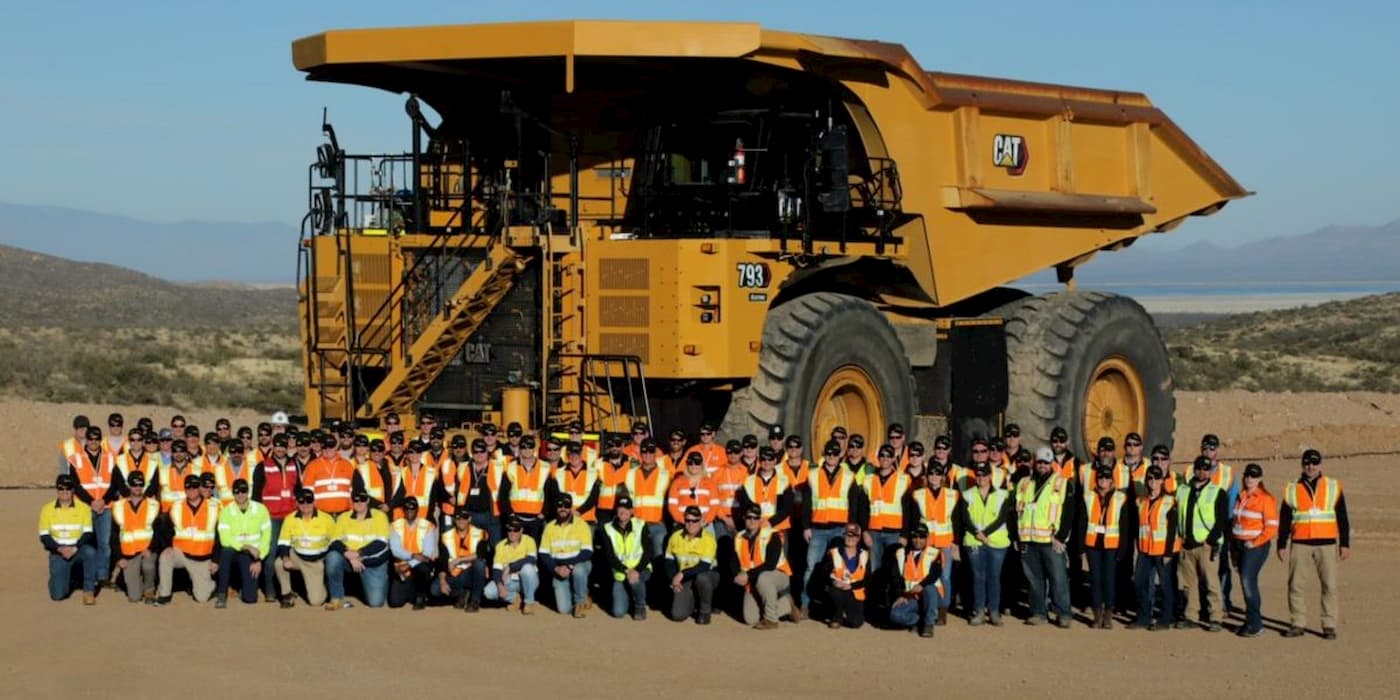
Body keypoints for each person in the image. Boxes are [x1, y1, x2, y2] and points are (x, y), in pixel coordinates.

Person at [1278, 449, 1349, 640]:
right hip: (1300, 543)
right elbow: (1284, 518)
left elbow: (1342, 516)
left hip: (1326, 544)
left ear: (1320, 465)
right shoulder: (1292, 487)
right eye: (1307, 463)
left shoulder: (1333, 486)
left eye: (1314, 463)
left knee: (1330, 585)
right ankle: (1297, 623)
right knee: (1296, 585)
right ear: (1302, 464)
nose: (1311, 467)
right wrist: (1281, 544)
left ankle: (1329, 624)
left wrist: (1345, 543)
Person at [802, 439, 865, 618]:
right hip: (818, 529)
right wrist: (806, 527)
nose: (831, 457)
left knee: (839, 568)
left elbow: (853, 506)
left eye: (835, 453)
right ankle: (806, 605)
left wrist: (851, 530)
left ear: (840, 456)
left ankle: (836, 608)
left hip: (840, 530)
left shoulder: (848, 476)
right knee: (811, 567)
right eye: (828, 453)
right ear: (824, 454)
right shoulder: (812, 475)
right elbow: (807, 504)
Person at [1016, 446, 1072, 627]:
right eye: (1039, 462)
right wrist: (1018, 537)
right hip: (1029, 540)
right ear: (1034, 462)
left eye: (1046, 463)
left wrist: (1061, 538)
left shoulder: (1062, 483)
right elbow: (1016, 512)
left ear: (1052, 464)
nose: (1042, 466)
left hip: (1050, 540)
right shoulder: (1024, 483)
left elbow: (1068, 513)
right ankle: (1038, 612)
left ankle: (1063, 613)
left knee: (1058, 578)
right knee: (1034, 580)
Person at [957, 463, 1017, 626]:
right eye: (978, 475)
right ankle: (979, 611)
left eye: (984, 475)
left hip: (996, 542)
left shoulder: (1002, 495)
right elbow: (964, 518)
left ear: (990, 476)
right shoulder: (967, 494)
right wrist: (977, 533)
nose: (981, 478)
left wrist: (986, 533)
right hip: (974, 541)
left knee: (994, 577)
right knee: (978, 577)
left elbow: (1002, 518)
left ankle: (994, 611)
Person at [1175, 456, 1229, 631]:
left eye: (1206, 469)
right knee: (1189, 583)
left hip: (1206, 545)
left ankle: (1216, 617)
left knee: (1211, 582)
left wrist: (1211, 540)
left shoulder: (1217, 491)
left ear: (1210, 471)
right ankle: (1191, 615)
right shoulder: (1182, 490)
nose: (1202, 471)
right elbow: (1177, 516)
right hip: (1186, 544)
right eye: (1199, 468)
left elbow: (1221, 519)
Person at [67, 425, 121, 589]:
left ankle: (102, 576)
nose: (94, 442)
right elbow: (75, 485)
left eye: (97, 439)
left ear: (100, 440)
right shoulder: (76, 459)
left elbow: (115, 483)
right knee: (83, 542)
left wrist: (103, 500)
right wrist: (92, 502)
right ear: (86, 439)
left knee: (104, 544)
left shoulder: (111, 457)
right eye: (91, 439)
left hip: (105, 507)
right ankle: (82, 575)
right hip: (85, 507)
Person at [1079, 467, 1131, 629]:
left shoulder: (1121, 498)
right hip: (1092, 544)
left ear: (1112, 481)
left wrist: (1123, 548)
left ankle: (1108, 615)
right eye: (1100, 477)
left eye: (1107, 478)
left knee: (1109, 580)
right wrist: (1080, 547)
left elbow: (1124, 525)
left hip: (1111, 544)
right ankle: (1097, 615)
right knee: (1095, 580)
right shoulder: (1088, 496)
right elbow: (1082, 522)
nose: (1103, 480)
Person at [156, 474, 220, 606]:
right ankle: (164, 594)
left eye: (195, 487)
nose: (192, 490)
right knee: (165, 556)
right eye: (188, 487)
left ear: (200, 488)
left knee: (201, 598)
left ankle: (211, 585)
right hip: (181, 553)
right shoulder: (176, 506)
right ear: (184, 489)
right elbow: (161, 524)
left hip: (202, 558)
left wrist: (216, 560)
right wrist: (167, 545)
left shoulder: (214, 507)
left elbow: (220, 537)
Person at [1231, 463, 1278, 638]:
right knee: (1246, 582)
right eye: (1247, 476)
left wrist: (1255, 542)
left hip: (1255, 547)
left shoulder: (1265, 498)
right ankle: (1251, 620)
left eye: (1254, 476)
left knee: (1247, 581)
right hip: (1239, 545)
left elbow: (1271, 528)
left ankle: (1255, 624)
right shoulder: (1242, 496)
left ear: (1260, 479)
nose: (1250, 479)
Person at [253, 433, 301, 602]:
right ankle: (269, 589)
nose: (280, 449)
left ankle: (288, 588)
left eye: (283, 446)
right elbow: (256, 495)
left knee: (289, 552)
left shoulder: (293, 464)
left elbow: (298, 490)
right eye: (278, 446)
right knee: (271, 553)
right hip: (271, 517)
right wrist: (259, 517)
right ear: (273, 446)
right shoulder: (263, 466)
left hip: (290, 516)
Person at [1129, 465, 1178, 630]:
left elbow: (1172, 529)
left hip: (1162, 550)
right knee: (1139, 583)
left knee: (1165, 586)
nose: (1153, 481)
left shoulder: (1169, 501)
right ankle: (1143, 617)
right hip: (1145, 550)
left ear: (1162, 481)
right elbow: (1139, 526)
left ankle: (1165, 619)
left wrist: (1169, 552)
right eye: (1150, 478)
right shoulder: (1141, 501)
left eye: (1157, 478)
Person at [733, 504, 795, 629]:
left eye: (755, 518)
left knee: (764, 578)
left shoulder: (772, 535)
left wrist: (748, 575)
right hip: (752, 581)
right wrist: (736, 574)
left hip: (778, 575)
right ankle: (786, 605)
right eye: (749, 517)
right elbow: (733, 561)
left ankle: (771, 620)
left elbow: (770, 565)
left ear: (761, 520)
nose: (752, 520)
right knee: (750, 619)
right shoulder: (739, 537)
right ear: (744, 518)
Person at [329, 486, 392, 608]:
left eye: (362, 499)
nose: (359, 503)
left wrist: (358, 554)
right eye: (355, 500)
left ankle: (379, 584)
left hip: (373, 562)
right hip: (350, 559)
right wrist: (349, 555)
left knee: (376, 602)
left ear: (368, 500)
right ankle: (336, 597)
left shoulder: (379, 516)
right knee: (332, 557)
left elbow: (381, 543)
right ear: (351, 501)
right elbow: (334, 541)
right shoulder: (343, 517)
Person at [39, 474, 98, 603]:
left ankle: (88, 591)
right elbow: (44, 536)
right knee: (58, 595)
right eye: (61, 488)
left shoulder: (83, 508)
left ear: (73, 490)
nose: (65, 491)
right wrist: (60, 549)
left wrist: (75, 548)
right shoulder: (47, 509)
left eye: (68, 488)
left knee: (91, 552)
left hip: (78, 550)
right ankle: (61, 578)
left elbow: (88, 533)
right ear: (57, 490)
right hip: (58, 552)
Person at [275, 487, 337, 609]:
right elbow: (283, 543)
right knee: (279, 563)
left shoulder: (326, 519)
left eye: (309, 501)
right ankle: (287, 594)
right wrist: (286, 558)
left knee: (316, 602)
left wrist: (326, 562)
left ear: (314, 502)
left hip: (316, 562)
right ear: (297, 503)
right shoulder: (290, 518)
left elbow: (335, 542)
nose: (306, 504)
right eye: (302, 501)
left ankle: (324, 586)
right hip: (297, 557)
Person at [215, 478, 272, 608]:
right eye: (237, 491)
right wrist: (245, 546)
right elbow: (225, 539)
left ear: (248, 492)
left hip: (252, 555)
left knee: (251, 599)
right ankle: (222, 593)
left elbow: (266, 537)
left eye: (243, 491)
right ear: (233, 493)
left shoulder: (261, 509)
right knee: (226, 551)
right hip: (235, 551)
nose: (240, 494)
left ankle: (243, 589)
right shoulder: (226, 511)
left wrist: (259, 559)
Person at [539, 494, 594, 617]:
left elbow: (587, 551)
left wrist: (569, 566)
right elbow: (543, 553)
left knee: (579, 571)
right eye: (559, 505)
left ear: (571, 507)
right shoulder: (549, 527)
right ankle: (582, 593)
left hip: (578, 564)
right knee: (564, 610)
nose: (563, 508)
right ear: (555, 507)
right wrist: (556, 568)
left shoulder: (581, 524)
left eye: (566, 505)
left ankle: (580, 602)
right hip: (558, 569)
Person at [600, 496, 653, 620]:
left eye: (626, 509)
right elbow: (610, 556)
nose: (623, 512)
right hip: (621, 572)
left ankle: (640, 606)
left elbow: (648, 552)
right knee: (618, 612)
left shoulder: (641, 525)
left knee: (635, 580)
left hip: (641, 569)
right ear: (616, 509)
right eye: (620, 508)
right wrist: (626, 570)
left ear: (632, 511)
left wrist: (637, 570)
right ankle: (630, 597)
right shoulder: (607, 528)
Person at [665, 505, 720, 624]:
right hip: (685, 579)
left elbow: (704, 566)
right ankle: (693, 601)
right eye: (688, 520)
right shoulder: (675, 537)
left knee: (702, 579)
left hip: (708, 576)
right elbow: (669, 562)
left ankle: (705, 611)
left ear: (701, 521)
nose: (691, 523)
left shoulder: (708, 539)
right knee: (677, 615)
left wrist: (681, 574)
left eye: (695, 520)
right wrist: (673, 579)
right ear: (684, 520)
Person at [888, 524, 944, 638]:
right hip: (910, 596)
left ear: (927, 538)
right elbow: (896, 578)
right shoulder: (900, 553)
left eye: (922, 537)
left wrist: (921, 585)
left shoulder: (935, 553)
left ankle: (929, 624)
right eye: (915, 537)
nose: (918, 541)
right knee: (895, 615)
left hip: (930, 596)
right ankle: (917, 621)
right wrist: (900, 595)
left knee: (929, 588)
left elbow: (935, 574)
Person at [111, 470, 158, 603]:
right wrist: (119, 558)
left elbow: (158, 532)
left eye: (140, 484)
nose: (137, 487)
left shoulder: (154, 505)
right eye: (134, 484)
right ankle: (132, 579)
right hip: (128, 553)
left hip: (147, 550)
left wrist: (151, 548)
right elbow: (114, 536)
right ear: (128, 485)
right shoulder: (118, 506)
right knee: (134, 597)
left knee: (148, 566)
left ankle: (149, 589)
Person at [862, 444, 909, 573]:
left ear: (894, 458)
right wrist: (865, 531)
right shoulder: (868, 480)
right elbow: (864, 509)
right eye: (882, 455)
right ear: (878, 458)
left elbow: (907, 511)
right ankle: (876, 593)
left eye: (889, 455)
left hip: (894, 533)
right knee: (875, 568)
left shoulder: (903, 480)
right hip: (874, 532)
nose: (885, 458)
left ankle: (894, 594)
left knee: (894, 568)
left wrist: (904, 534)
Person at [620, 439, 671, 558]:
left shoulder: (666, 474)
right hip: (636, 524)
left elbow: (669, 501)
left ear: (656, 453)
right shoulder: (630, 473)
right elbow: (625, 499)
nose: (647, 454)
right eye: (644, 451)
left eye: (651, 451)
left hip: (657, 524)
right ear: (640, 453)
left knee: (658, 557)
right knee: (635, 557)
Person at [437, 503, 491, 612]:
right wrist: (442, 581)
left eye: (465, 518)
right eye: (458, 518)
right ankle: (462, 593)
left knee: (480, 563)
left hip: (472, 573)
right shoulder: (445, 536)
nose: (461, 520)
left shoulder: (481, 533)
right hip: (455, 574)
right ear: (454, 520)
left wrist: (459, 560)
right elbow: (442, 562)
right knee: (435, 589)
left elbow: (481, 554)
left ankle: (475, 600)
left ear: (469, 519)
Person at [388, 496, 438, 610]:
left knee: (424, 568)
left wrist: (410, 564)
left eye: (412, 508)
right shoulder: (396, 525)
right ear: (403, 510)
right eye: (407, 509)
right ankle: (412, 594)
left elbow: (427, 553)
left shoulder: (427, 526)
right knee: (395, 603)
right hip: (401, 570)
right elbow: (395, 550)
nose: (409, 511)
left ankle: (421, 595)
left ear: (417, 510)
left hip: (418, 567)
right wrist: (413, 555)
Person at [450, 438, 504, 543]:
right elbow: (457, 491)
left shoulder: (499, 466)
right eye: (476, 451)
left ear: (487, 451)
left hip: (491, 514)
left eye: (482, 451)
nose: (479, 454)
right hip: (470, 516)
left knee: (495, 546)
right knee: (474, 547)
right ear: (471, 453)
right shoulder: (463, 467)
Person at [498, 435, 550, 542]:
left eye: (530, 446)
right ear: (519, 449)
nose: (527, 450)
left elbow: (550, 494)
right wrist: (510, 514)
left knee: (533, 551)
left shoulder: (545, 467)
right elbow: (503, 494)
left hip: (536, 519)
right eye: (524, 447)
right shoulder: (510, 467)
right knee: (515, 551)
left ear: (534, 448)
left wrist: (543, 513)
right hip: (516, 518)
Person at [486, 516, 540, 614]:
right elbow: (496, 569)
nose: (512, 533)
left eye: (516, 530)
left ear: (521, 530)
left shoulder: (529, 540)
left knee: (527, 568)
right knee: (489, 591)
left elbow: (531, 559)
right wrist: (499, 585)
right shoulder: (500, 545)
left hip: (528, 581)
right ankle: (515, 599)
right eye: (509, 530)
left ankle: (529, 602)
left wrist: (510, 567)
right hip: (510, 581)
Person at [825, 522, 869, 629]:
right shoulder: (834, 552)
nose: (850, 538)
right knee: (835, 593)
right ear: (843, 535)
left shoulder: (865, 554)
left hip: (855, 592)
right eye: (848, 535)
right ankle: (837, 617)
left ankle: (847, 612)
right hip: (838, 590)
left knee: (856, 623)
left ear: (858, 538)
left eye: (854, 535)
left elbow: (868, 580)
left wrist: (851, 586)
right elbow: (824, 573)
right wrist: (833, 582)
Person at [546, 442, 602, 525]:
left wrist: (579, 511)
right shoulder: (557, 473)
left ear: (581, 454)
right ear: (567, 455)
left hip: (586, 519)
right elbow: (555, 496)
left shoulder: (594, 473)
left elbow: (594, 498)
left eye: (576, 453)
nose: (573, 457)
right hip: (564, 519)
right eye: (570, 454)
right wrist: (568, 511)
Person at [304, 434, 355, 516]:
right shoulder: (312, 466)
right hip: (321, 515)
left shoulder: (347, 465)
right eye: (325, 447)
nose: (328, 449)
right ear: (321, 448)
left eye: (331, 446)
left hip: (344, 514)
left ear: (336, 447)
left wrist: (352, 511)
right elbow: (307, 492)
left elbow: (353, 490)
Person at [667, 452, 719, 529]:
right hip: (682, 524)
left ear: (702, 465)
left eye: (697, 462)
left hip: (704, 524)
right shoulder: (677, 482)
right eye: (690, 462)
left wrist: (705, 520)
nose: (693, 465)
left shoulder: (710, 483)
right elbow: (672, 505)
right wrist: (683, 520)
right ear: (686, 464)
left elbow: (714, 506)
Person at [596, 435, 637, 525]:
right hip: (604, 509)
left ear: (622, 446)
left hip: (625, 508)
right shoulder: (598, 463)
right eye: (611, 445)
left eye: (617, 445)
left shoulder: (632, 463)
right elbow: (593, 489)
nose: (614, 448)